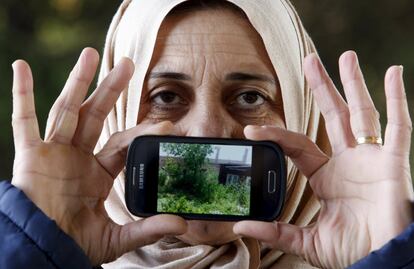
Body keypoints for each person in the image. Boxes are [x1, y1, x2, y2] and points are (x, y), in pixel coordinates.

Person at [1, 0, 413, 268]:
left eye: (250, 96)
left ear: (302, 116)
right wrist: (36, 248)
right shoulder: (43, 255)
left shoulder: (376, 255)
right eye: (165, 95)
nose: (206, 131)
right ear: (118, 115)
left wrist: (389, 252)